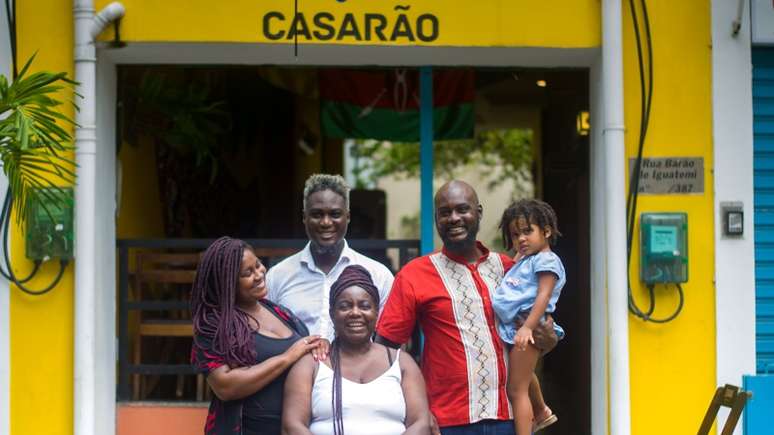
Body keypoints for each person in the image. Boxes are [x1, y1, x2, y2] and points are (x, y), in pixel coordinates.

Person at [376, 180, 558, 435]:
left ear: (479, 213)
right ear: (437, 219)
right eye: (445, 212)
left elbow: (537, 332)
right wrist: (417, 409)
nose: (454, 218)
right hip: (446, 422)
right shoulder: (414, 275)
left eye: (463, 209)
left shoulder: (510, 270)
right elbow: (384, 351)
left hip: (509, 419)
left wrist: (547, 339)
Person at [191, 237, 326, 435]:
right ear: (226, 283)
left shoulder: (281, 313)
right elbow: (225, 386)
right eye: (248, 272)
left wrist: (319, 346)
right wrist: (287, 357)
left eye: (258, 265)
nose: (259, 274)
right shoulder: (213, 325)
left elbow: (304, 353)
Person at [282, 265, 431, 435]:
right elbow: (292, 426)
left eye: (365, 306)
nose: (355, 313)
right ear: (332, 314)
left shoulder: (401, 362)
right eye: (345, 306)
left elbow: (420, 423)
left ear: (376, 313)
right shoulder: (312, 364)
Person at [267, 174, 394, 341]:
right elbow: (265, 335)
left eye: (335, 214)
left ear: (347, 217)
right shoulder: (277, 276)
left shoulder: (378, 275)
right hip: (295, 367)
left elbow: (389, 341)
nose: (326, 222)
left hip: (360, 368)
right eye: (317, 214)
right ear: (304, 217)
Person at [492, 200, 566, 435]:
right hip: (517, 326)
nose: (521, 239)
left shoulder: (547, 260)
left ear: (546, 231)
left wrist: (527, 328)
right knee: (522, 374)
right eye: (515, 235)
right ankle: (542, 410)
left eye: (527, 231)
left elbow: (543, 295)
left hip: (528, 327)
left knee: (516, 390)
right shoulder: (528, 259)